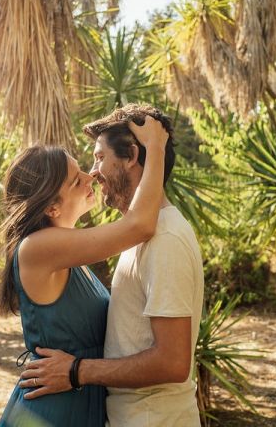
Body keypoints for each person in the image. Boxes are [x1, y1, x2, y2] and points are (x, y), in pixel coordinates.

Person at [19, 104, 205, 427]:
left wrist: (78, 370)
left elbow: (174, 362)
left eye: (99, 157)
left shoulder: (164, 238)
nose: (92, 172)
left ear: (132, 156)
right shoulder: (138, 235)